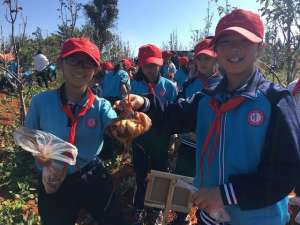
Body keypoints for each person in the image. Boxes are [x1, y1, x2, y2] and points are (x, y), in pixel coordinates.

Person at [117, 9, 300, 225]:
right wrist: (144, 103)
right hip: (210, 217)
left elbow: (287, 171)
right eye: (226, 42)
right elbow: (173, 115)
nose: (234, 49)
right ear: (216, 50)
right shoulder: (207, 99)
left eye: (244, 41)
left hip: (258, 218)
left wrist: (225, 194)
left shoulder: (275, 101)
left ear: (260, 48)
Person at [25, 37, 129, 225]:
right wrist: (41, 157)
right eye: (74, 60)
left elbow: (116, 127)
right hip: (53, 175)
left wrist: (127, 121)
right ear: (61, 63)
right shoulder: (41, 102)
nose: (80, 68)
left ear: (96, 69)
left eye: (87, 62)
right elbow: (29, 136)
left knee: (115, 219)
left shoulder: (101, 106)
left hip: (91, 172)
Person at [130, 44, 178, 224]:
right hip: (140, 138)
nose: (151, 69)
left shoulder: (170, 87)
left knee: (159, 173)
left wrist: (173, 139)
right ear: (141, 66)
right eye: (147, 65)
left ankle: (156, 208)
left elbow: (175, 115)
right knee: (141, 173)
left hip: (161, 138)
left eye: (154, 65)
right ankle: (139, 207)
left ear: (161, 64)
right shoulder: (135, 85)